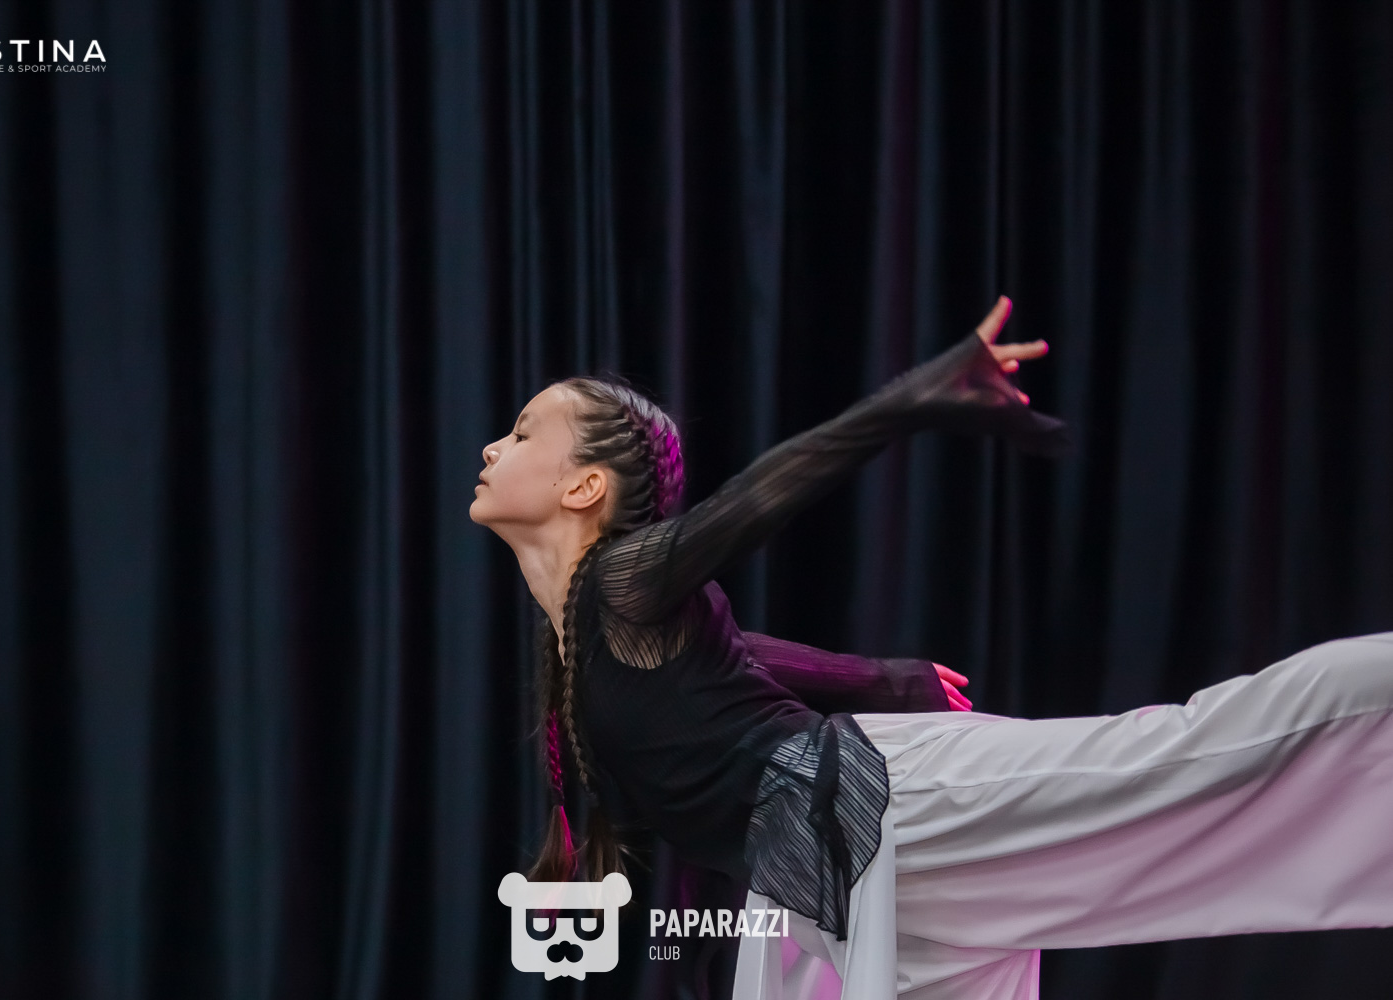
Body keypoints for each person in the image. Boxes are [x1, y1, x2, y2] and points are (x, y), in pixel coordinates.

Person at [470, 297, 1393, 998]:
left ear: (584, 487)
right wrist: (888, 677)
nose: (490, 448)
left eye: (519, 433)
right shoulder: (594, 635)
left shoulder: (624, 579)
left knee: (1181, 756)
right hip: (820, 880)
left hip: (892, 808)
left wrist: (909, 400)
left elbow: (764, 494)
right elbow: (736, 658)